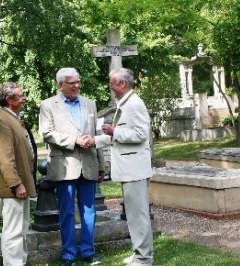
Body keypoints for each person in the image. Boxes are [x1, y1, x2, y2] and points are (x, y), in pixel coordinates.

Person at [39, 67, 104, 266]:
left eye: (78, 82)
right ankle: (68, 254)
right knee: (66, 212)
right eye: (72, 83)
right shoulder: (48, 105)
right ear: (61, 85)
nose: (77, 86)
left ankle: (88, 251)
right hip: (64, 165)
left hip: (89, 164)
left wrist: (102, 165)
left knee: (89, 210)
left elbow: (96, 134)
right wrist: (75, 140)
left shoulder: (89, 104)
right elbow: (47, 133)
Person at [94, 68, 154, 266]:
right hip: (130, 169)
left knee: (139, 216)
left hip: (135, 169)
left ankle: (144, 259)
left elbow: (140, 135)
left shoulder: (135, 104)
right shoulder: (125, 103)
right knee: (133, 215)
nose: (110, 86)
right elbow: (117, 136)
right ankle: (139, 253)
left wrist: (114, 131)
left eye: (112, 83)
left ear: (122, 84)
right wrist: (93, 141)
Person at [0, 82, 36, 266]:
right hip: (11, 189)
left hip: (19, 186)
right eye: (21, 95)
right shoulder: (2, 121)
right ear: (9, 100)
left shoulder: (13, 119)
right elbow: (4, 159)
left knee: (21, 229)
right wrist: (16, 184)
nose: (24, 98)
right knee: (13, 232)